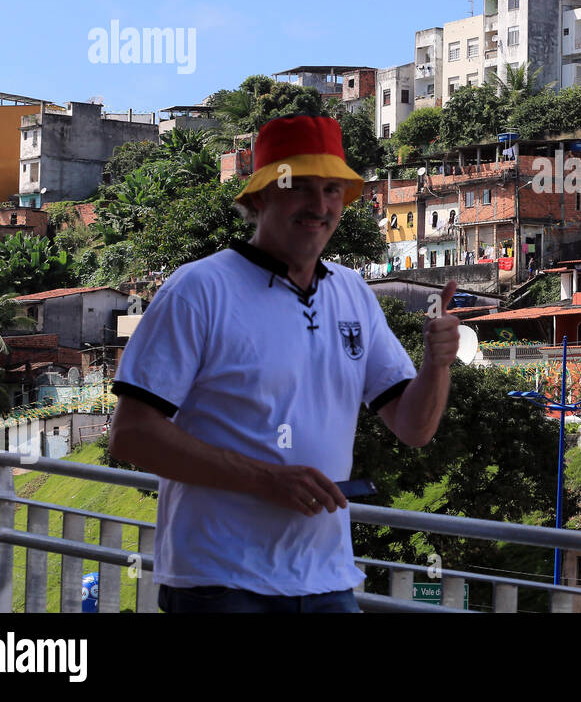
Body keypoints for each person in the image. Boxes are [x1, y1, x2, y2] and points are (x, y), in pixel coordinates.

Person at [108, 114, 460, 613]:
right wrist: (265, 480)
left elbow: (412, 427)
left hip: (327, 581)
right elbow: (131, 433)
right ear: (259, 198)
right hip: (219, 582)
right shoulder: (198, 290)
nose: (319, 206)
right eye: (300, 188)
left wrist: (438, 364)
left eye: (333, 190)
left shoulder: (353, 293)